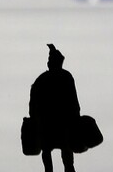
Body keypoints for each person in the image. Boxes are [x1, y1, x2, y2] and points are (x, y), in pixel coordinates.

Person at [29, 44, 81, 172]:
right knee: (61, 148)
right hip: (56, 120)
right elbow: (74, 100)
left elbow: (33, 102)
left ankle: (60, 169)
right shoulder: (64, 76)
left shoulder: (43, 78)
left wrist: (33, 118)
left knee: (53, 149)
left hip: (52, 121)